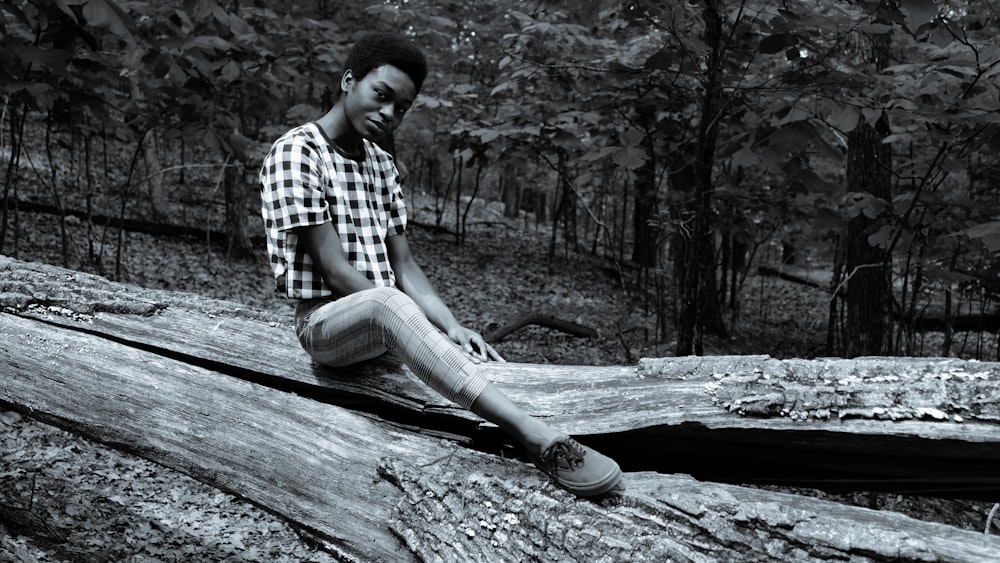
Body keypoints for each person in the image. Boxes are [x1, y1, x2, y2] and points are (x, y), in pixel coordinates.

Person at [258, 32, 621, 497]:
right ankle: (534, 435)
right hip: (325, 326)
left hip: (383, 317)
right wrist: (408, 323)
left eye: (402, 107)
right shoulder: (297, 152)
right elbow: (334, 271)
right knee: (388, 303)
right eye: (381, 95)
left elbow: (404, 264)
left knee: (408, 313)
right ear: (349, 81)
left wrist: (450, 325)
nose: (389, 114)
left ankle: (505, 404)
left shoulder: (381, 166)